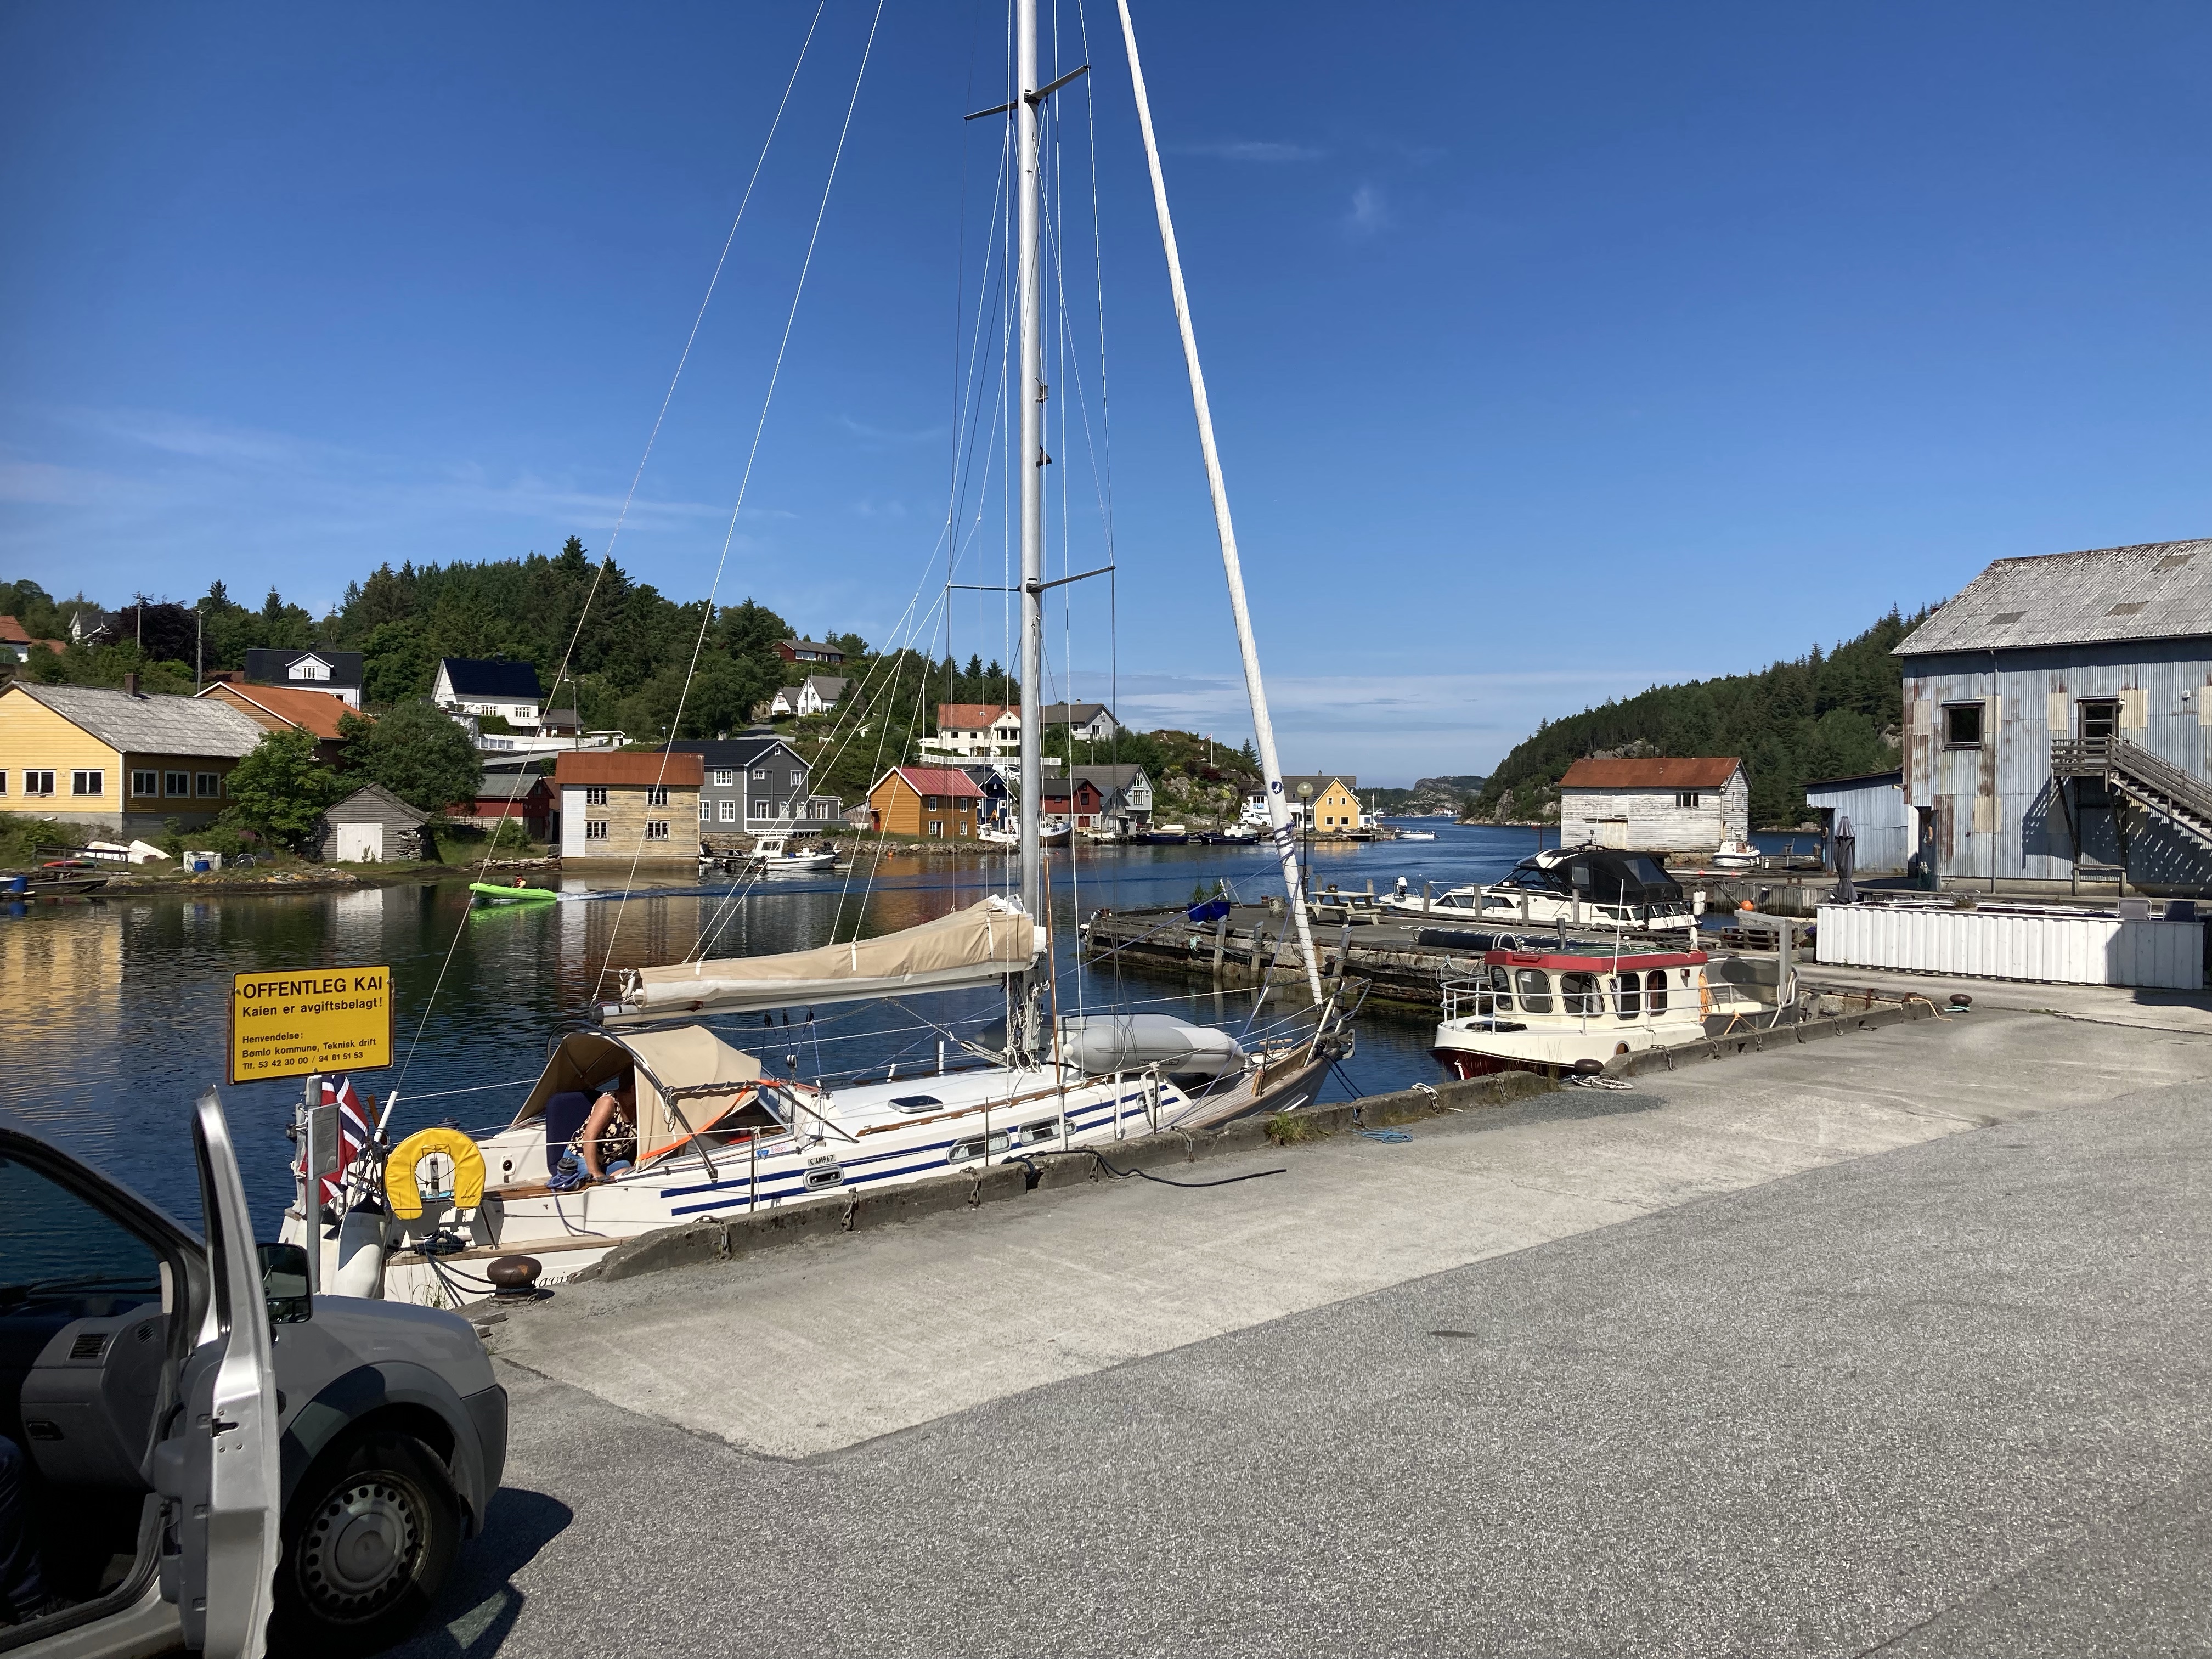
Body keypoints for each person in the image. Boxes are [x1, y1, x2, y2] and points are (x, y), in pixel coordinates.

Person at [574, 1074, 639, 1182]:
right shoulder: (609, 1102)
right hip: (583, 1157)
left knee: (629, 1174)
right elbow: (589, 1137)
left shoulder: (640, 1107)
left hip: (611, 1161)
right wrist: (594, 1172)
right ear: (634, 1088)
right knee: (598, 1180)